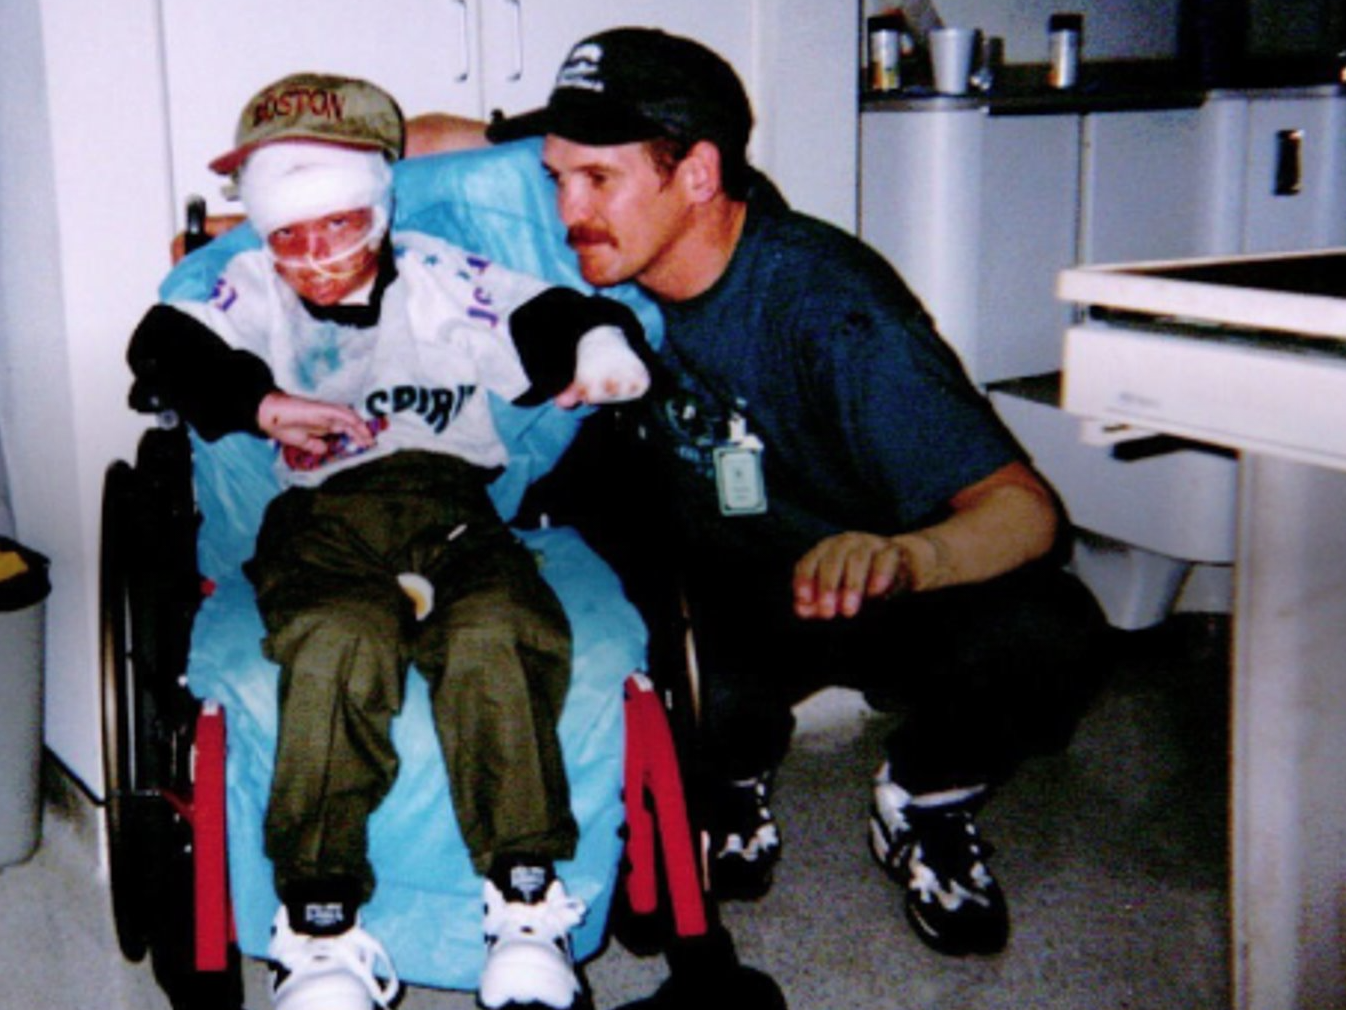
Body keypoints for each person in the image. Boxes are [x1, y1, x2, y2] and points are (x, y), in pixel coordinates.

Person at [486, 29, 1107, 958]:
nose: (568, 208)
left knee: (1051, 634)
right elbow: (445, 151)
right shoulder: (627, 248)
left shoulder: (828, 307)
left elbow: (1026, 509)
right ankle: (727, 771)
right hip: (719, 594)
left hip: (866, 584)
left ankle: (925, 796)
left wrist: (909, 556)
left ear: (697, 173)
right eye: (556, 177)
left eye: (596, 180)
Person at [128, 72, 651, 1010]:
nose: (316, 256)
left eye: (337, 225)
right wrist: (261, 403)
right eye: (289, 233)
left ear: (377, 205)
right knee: (336, 639)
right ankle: (320, 923)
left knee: (496, 629)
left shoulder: (439, 277)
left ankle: (523, 902)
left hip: (452, 502)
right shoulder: (245, 284)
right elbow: (167, 342)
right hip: (320, 515)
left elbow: (554, 313)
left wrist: (599, 353)